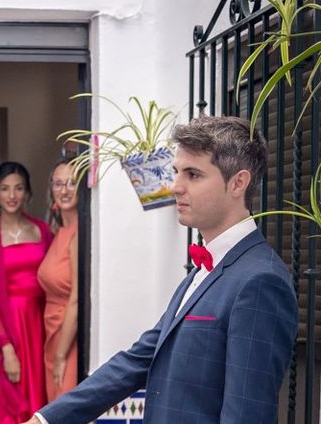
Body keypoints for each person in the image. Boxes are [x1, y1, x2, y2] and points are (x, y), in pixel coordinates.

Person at [22, 116, 299, 424]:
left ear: (238, 182)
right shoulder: (203, 270)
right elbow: (139, 359)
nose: (175, 187)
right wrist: (46, 419)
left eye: (193, 175)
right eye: (176, 172)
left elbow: (246, 415)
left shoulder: (260, 281)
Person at [0, 161, 53, 424]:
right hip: (6, 331)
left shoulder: (41, 230)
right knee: (4, 404)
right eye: (5, 188)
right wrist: (6, 348)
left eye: (18, 188)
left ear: (28, 192)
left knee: (41, 402)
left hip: (39, 326)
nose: (12, 195)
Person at [37, 158, 79, 401]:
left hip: (67, 337)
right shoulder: (59, 232)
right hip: (53, 332)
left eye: (72, 183)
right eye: (58, 184)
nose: (64, 190)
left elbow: (76, 299)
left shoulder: (77, 235)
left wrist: (62, 355)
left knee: (64, 406)